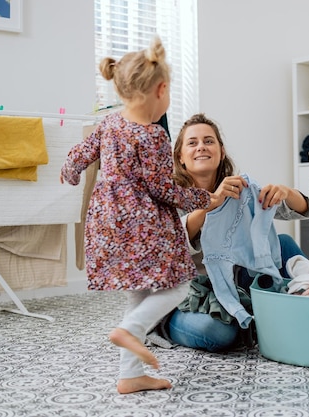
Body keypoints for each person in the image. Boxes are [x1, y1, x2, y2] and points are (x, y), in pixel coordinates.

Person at [60, 37, 211, 394]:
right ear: (160, 90)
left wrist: (69, 170)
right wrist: (201, 199)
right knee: (178, 285)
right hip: (142, 224)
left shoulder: (109, 124)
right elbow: (162, 188)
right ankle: (130, 332)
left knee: (139, 293)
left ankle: (130, 375)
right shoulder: (153, 135)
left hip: (106, 222)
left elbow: (79, 154)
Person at [159, 113, 309, 352]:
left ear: (220, 151)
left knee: (284, 243)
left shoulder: (238, 189)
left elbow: (298, 209)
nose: (201, 147)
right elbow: (168, 242)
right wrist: (210, 204)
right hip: (186, 299)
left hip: (234, 284)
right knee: (217, 332)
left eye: (209, 141)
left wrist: (286, 192)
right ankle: (262, 322)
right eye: (192, 143)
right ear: (180, 156)